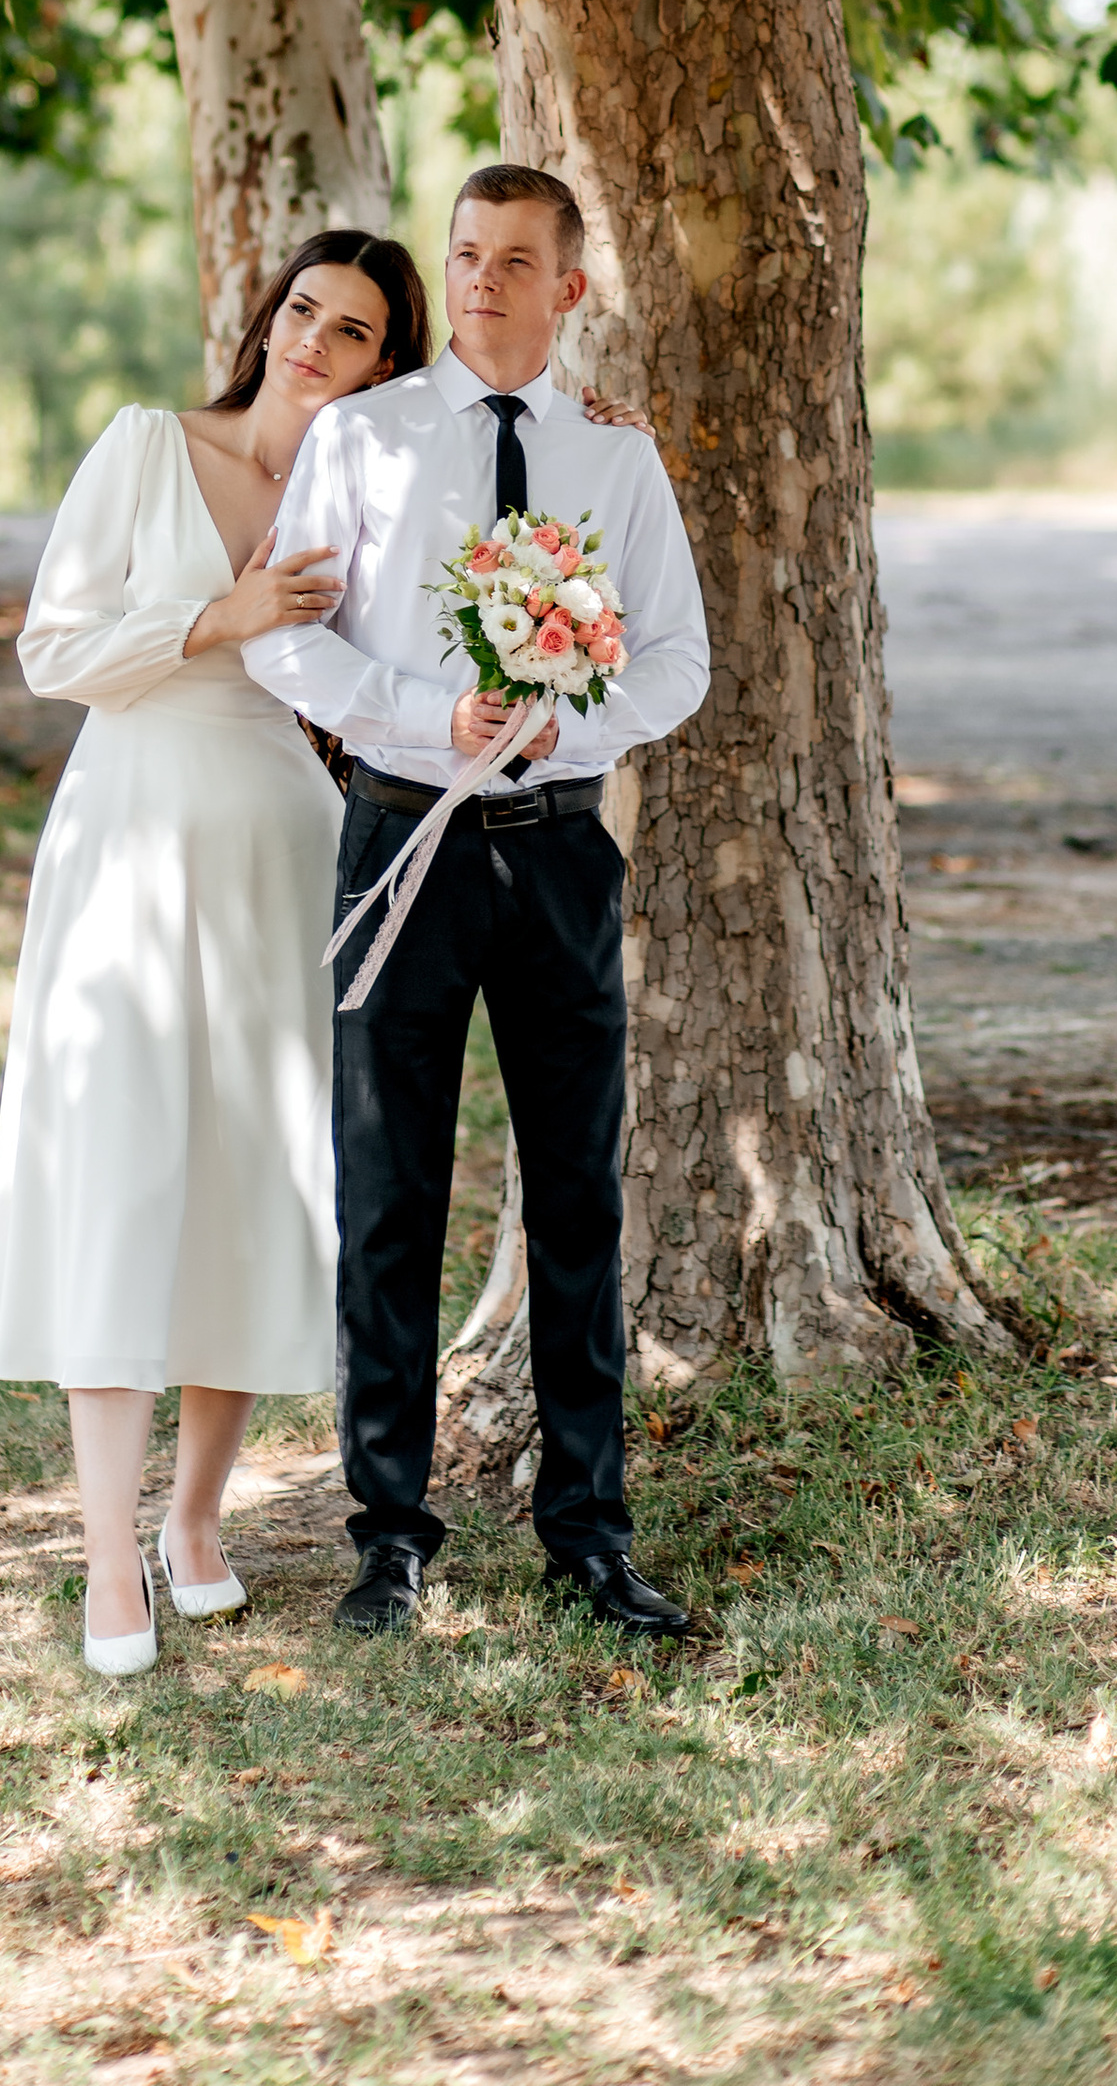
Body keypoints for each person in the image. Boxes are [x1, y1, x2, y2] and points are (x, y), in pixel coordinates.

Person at [243, 162, 712, 1646]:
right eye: (469, 254)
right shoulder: (364, 440)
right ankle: (387, 1536)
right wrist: (417, 713)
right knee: (389, 1197)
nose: (488, 280)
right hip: (400, 843)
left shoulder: (616, 467)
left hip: (561, 846)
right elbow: (288, 648)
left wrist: (559, 729)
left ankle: (588, 1528)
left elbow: (676, 661)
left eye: (519, 259)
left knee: (579, 1190)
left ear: (570, 289)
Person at [0, 226, 434, 1677]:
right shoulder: (145, 445)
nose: (315, 340)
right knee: (120, 1171)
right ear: (270, 315)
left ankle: (193, 1523)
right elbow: (55, 652)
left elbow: (443, 616)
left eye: (353, 330)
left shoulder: (372, 491)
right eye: (305, 310)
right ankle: (107, 1560)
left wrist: (584, 429)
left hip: (284, 853)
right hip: (130, 832)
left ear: (386, 361)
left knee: (254, 1177)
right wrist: (214, 617)